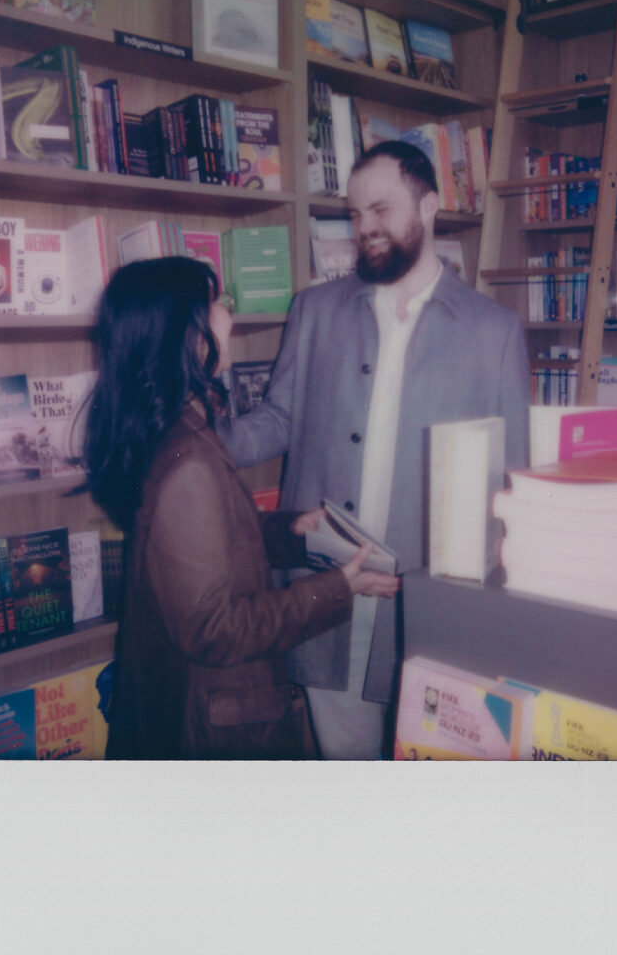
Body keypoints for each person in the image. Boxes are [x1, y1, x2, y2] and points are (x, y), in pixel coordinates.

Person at [217, 140, 531, 760]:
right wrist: (204, 441)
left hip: (436, 605)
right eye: (355, 215)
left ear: (431, 206)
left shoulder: (494, 331)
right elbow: (279, 418)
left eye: (381, 210)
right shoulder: (312, 311)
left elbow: (510, 481)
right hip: (333, 595)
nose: (365, 229)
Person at [81, 256, 398, 760]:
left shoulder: (168, 431)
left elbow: (204, 544)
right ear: (188, 332)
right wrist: (339, 588)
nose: (228, 313)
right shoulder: (187, 461)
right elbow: (215, 629)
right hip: (211, 724)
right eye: (217, 302)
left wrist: (294, 532)